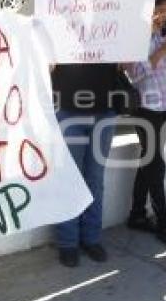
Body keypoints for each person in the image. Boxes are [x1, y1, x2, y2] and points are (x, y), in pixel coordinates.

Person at [123, 0, 166, 250]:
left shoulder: (163, 31)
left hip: (165, 102)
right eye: (160, 9)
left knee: (149, 162)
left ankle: (137, 214)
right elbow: (135, 74)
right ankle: (165, 223)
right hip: (145, 106)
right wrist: (161, 49)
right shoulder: (132, 34)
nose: (164, 16)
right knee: (156, 164)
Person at [51, 55, 120, 268]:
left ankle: (91, 238)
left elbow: (126, 62)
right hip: (69, 107)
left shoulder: (115, 22)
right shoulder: (59, 21)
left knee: (95, 178)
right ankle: (68, 242)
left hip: (104, 109)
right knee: (69, 179)